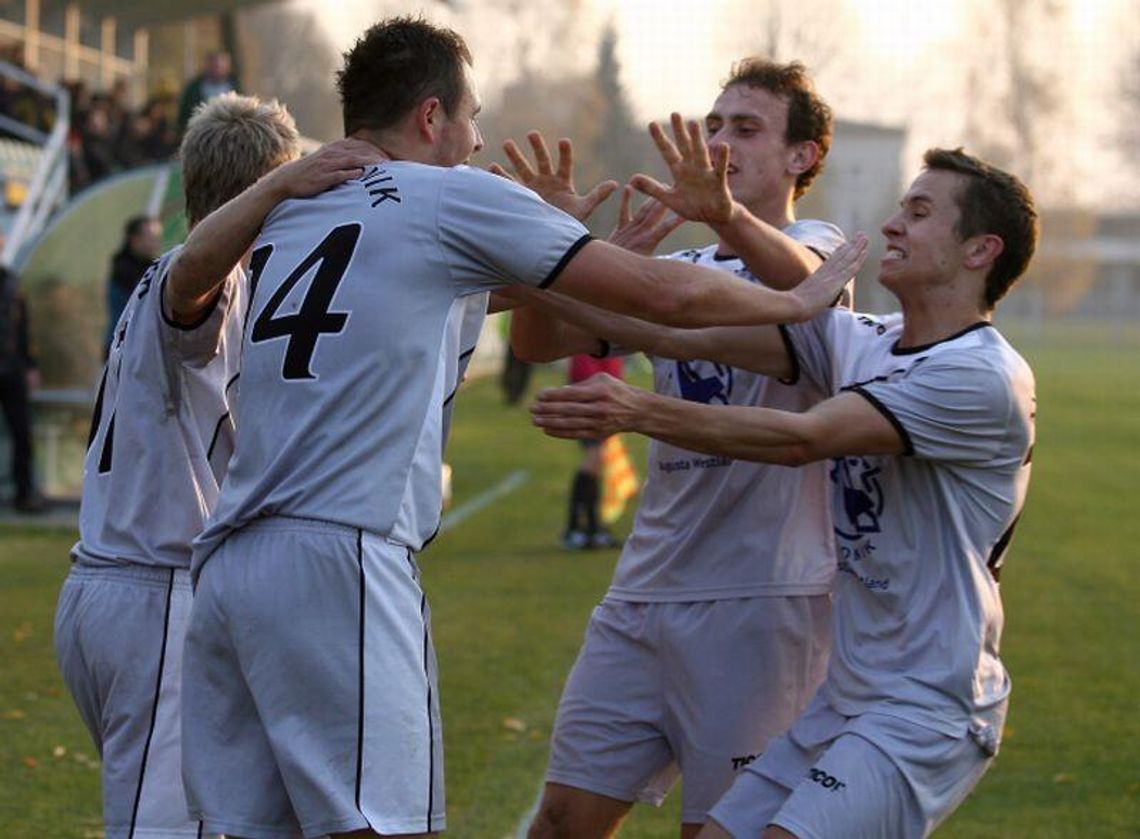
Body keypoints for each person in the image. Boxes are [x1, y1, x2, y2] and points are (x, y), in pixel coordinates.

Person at [170, 16, 856, 839]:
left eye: (742, 128)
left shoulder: (293, 211)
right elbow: (651, 302)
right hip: (341, 553)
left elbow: (737, 301)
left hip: (231, 559)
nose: (479, 139)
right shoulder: (452, 196)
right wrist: (788, 301)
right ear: (432, 118)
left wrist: (553, 256)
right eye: (471, 116)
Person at [531, 147, 1038, 839]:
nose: (892, 225)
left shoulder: (981, 376)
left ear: (981, 250)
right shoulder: (867, 340)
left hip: (928, 705)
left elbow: (802, 437)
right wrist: (531, 253)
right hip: (844, 699)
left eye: (918, 213)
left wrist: (640, 410)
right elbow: (668, 329)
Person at [503, 58, 844, 838]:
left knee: (720, 830)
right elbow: (537, 337)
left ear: (804, 156)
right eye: (714, 125)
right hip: (643, 591)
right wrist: (545, 240)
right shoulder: (679, 269)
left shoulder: (821, 248)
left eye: (747, 129)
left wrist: (723, 215)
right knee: (559, 820)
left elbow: (804, 295)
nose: (720, 143)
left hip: (760, 602)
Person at [53, 93, 375, 839]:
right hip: (155, 596)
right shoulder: (198, 276)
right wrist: (281, 187)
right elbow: (191, 280)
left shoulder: (235, 284)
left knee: (254, 811)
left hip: (130, 589)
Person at [562, 352, 625, 550]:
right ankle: (578, 528)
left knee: (596, 463)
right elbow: (583, 366)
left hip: (603, 398)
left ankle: (591, 527)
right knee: (593, 461)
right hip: (593, 398)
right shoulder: (593, 329)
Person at [0, 247, 43, 512]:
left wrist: (30, 365)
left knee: (22, 433)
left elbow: (23, 326)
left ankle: (24, 492)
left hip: (12, 368)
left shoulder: (11, 282)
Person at [105, 215, 162, 353]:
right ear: (135, 240)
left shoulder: (149, 267)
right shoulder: (124, 269)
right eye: (151, 238)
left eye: (157, 238)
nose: (155, 243)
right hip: (122, 348)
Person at [178, 51, 238, 132]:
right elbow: (185, 114)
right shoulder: (194, 88)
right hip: (199, 132)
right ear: (207, 65)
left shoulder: (235, 86)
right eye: (215, 66)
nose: (217, 69)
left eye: (221, 66)